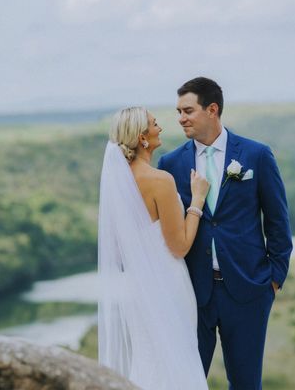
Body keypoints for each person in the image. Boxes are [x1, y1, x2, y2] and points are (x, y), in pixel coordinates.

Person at [158, 77, 293, 390]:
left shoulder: (256, 156)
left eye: (188, 110)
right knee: (185, 382)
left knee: (246, 384)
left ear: (212, 110)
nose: (181, 118)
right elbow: (168, 230)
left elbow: (277, 221)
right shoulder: (171, 163)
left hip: (249, 291)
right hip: (193, 293)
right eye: (178, 111)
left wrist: (273, 280)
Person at [98, 106, 210, 389]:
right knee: (178, 355)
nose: (160, 127)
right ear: (142, 138)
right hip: (169, 283)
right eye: (154, 123)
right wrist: (197, 200)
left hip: (139, 287)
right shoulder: (160, 180)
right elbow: (180, 246)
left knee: (149, 357)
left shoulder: (118, 184)